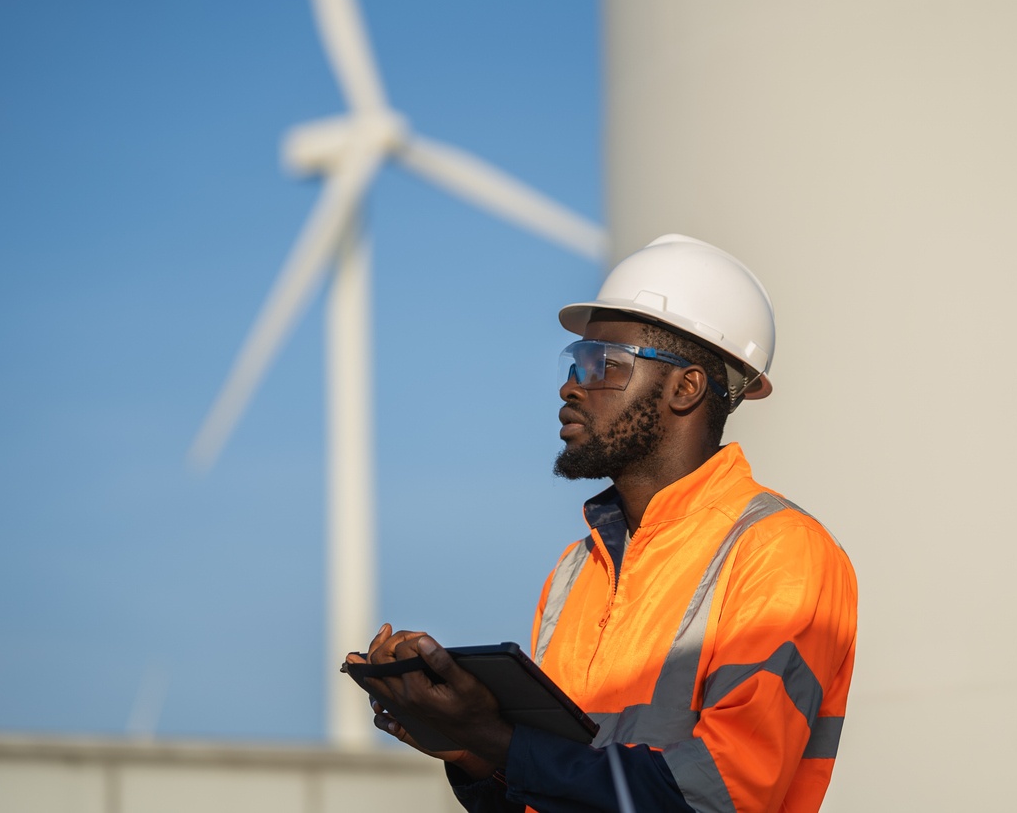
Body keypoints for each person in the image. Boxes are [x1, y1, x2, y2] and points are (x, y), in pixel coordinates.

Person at [348, 234, 858, 813]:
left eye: (601, 365)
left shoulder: (780, 552)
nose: (571, 386)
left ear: (685, 386)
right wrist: (469, 752)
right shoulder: (575, 570)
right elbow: (556, 789)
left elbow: (718, 794)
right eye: (575, 363)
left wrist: (497, 740)